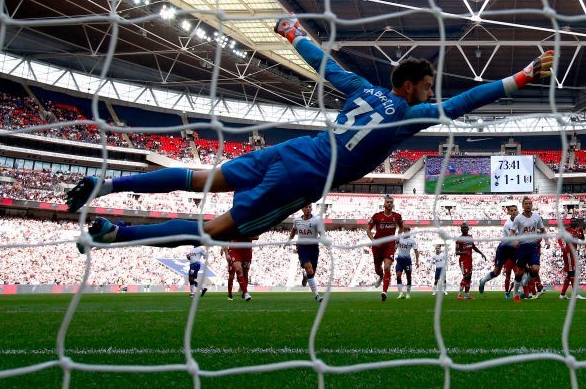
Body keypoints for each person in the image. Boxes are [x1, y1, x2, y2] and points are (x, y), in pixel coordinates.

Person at [65, 16, 554, 249]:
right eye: (426, 87)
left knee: (204, 177)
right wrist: (525, 75)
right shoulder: (410, 114)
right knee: (214, 232)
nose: (431, 94)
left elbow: (325, 65)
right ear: (407, 86)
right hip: (300, 179)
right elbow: (467, 102)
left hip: (291, 149)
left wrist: (293, 31)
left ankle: (108, 185)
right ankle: (115, 236)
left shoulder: (362, 89)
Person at [368, 195, 404, 301]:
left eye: (391, 202)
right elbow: (368, 230)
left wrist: (398, 237)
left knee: (387, 267)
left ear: (393, 204)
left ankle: (384, 292)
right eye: (387, 202)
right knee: (377, 269)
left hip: (390, 245)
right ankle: (380, 276)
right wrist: (373, 241)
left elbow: (401, 227)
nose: (389, 204)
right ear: (384, 204)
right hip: (378, 245)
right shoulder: (377, 216)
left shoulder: (397, 216)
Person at [478, 204, 518, 298]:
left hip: (514, 250)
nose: (513, 212)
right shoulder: (508, 224)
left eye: (515, 210)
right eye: (511, 210)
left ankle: (516, 293)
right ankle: (483, 281)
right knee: (496, 272)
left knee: (520, 271)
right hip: (504, 249)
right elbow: (513, 238)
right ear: (508, 212)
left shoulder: (520, 221)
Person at [511, 196, 547, 301]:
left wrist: (547, 240)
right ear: (523, 206)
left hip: (533, 246)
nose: (528, 205)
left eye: (529, 203)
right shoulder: (518, 218)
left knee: (535, 270)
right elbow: (512, 232)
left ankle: (525, 282)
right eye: (526, 204)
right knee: (520, 272)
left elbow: (543, 230)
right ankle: (515, 293)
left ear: (532, 205)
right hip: (522, 247)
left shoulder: (537, 217)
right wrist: (515, 240)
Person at [290, 204, 323, 302]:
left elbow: (322, 234)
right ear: (302, 208)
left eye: (309, 207)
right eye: (306, 207)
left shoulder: (316, 220)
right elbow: (293, 231)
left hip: (314, 248)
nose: (308, 209)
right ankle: (317, 295)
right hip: (302, 247)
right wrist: (288, 240)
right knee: (310, 271)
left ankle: (305, 275)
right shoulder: (297, 220)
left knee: (312, 273)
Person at [455, 222, 487, 300]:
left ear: (468, 228)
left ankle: (467, 295)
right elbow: (456, 252)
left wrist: (481, 253)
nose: (465, 229)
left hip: (470, 260)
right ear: (461, 229)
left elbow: (473, 246)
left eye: (466, 227)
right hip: (463, 261)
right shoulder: (459, 239)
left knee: (469, 277)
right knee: (466, 277)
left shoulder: (470, 237)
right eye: (463, 228)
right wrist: (464, 252)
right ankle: (459, 294)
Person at [558, 221, 586, 300]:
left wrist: (581, 231)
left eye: (574, 221)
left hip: (573, 253)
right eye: (572, 221)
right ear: (570, 223)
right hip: (568, 253)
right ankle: (575, 294)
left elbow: (583, 239)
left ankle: (562, 294)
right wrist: (562, 246)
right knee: (572, 273)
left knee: (569, 275)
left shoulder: (577, 231)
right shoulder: (567, 230)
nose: (573, 222)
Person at [394, 225, 420, 299]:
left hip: (407, 260)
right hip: (399, 260)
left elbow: (416, 251)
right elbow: (395, 248)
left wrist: (417, 261)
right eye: (406, 230)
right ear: (403, 231)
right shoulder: (399, 238)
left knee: (408, 277)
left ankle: (408, 293)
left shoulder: (412, 240)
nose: (408, 231)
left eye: (409, 230)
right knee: (398, 275)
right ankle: (400, 293)